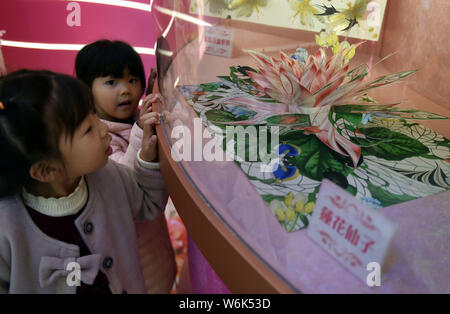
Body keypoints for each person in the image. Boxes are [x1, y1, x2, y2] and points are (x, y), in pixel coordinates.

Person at [0, 70, 168, 293]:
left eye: (93, 115)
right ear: (46, 170)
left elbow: (148, 203)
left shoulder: (108, 174)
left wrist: (147, 159)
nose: (103, 127)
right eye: (88, 129)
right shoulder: (7, 229)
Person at [75, 40, 177, 293]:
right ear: (87, 89)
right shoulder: (96, 140)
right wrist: (141, 132)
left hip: (156, 246)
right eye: (112, 82)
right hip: (135, 260)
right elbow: (125, 184)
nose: (126, 90)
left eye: (133, 80)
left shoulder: (133, 119)